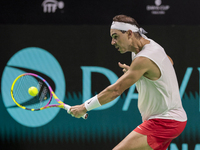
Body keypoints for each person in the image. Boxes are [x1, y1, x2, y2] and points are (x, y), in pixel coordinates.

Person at [69, 15, 187, 150]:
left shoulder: (144, 57)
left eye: (115, 36)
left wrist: (84, 107)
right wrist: (142, 72)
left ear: (130, 34)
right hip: (170, 120)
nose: (112, 42)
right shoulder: (149, 45)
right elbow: (169, 62)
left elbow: (115, 90)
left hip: (164, 121)